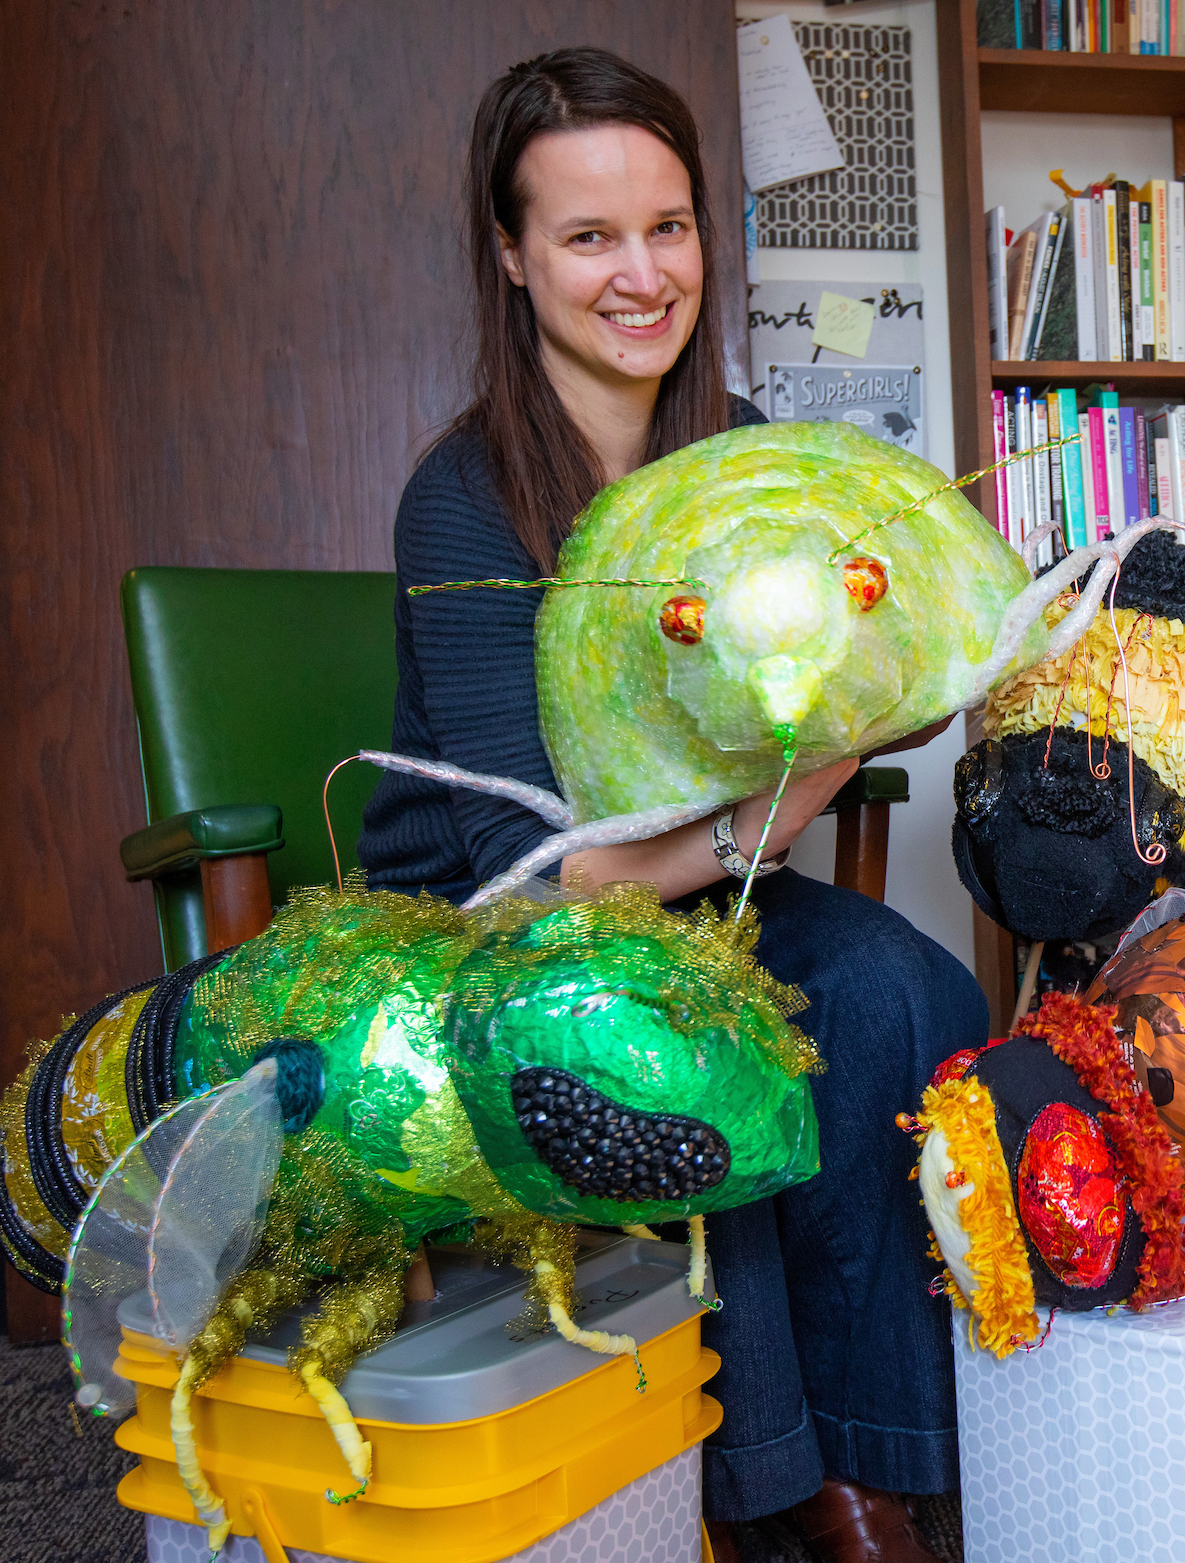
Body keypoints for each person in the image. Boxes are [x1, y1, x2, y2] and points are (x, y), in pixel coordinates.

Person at [356, 47, 981, 1563]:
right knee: (697, 1052)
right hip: (497, 932)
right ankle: (773, 1502)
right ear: (512, 258)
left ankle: (885, 1475)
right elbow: (538, 870)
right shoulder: (463, 496)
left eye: (671, 226)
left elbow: (847, 686)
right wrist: (775, 807)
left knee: (905, 983)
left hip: (706, 892)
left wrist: (930, 649)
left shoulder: (744, 462)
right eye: (587, 236)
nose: (643, 275)